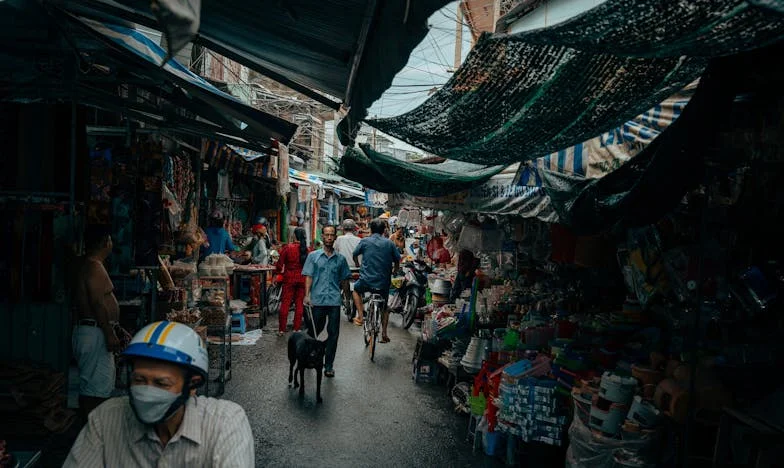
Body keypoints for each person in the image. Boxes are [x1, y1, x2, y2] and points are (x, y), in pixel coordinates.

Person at [64, 321, 254, 467]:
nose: (147, 392)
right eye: (139, 380)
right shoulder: (105, 419)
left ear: (192, 385)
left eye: (161, 383)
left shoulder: (224, 423)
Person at [72, 226, 121, 420]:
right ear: (105, 242)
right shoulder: (93, 266)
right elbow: (98, 302)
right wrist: (109, 332)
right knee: (95, 389)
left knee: (94, 386)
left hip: (94, 330)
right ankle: (93, 431)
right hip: (95, 332)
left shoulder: (90, 264)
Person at [302, 225, 351, 378]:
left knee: (333, 335)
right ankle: (310, 357)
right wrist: (307, 295)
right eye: (326, 235)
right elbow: (309, 276)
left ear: (335, 237)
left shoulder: (341, 259)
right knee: (313, 332)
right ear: (322, 237)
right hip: (317, 300)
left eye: (332, 235)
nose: (329, 238)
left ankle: (328, 365)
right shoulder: (313, 256)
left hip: (334, 302)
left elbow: (344, 280)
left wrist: (347, 298)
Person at [352, 218, 401, 343]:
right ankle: (384, 334)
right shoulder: (389, 243)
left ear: (371, 229)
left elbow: (354, 254)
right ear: (384, 230)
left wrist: (358, 265)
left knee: (355, 291)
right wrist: (395, 270)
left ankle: (360, 317)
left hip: (366, 280)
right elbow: (397, 260)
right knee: (385, 306)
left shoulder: (365, 241)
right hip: (383, 282)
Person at [275, 227, 310, 336]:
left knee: (285, 303)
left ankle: (281, 329)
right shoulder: (307, 250)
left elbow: (280, 264)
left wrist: (278, 272)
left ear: (294, 236)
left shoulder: (288, 248)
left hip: (289, 278)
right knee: (299, 304)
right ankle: (296, 328)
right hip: (302, 279)